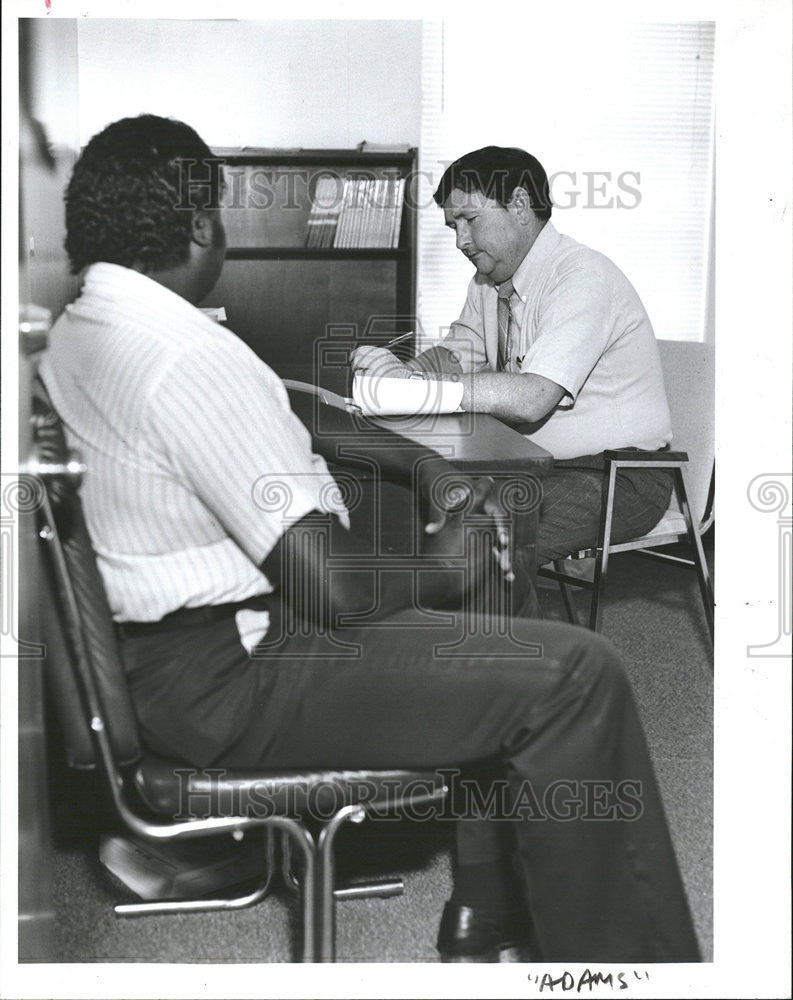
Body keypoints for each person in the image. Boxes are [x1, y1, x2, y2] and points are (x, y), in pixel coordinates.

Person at [40, 115, 700, 963]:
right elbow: (335, 589)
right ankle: (584, 949)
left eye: (469, 222)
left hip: (174, 658)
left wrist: (425, 471)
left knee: (492, 565)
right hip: (234, 676)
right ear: (203, 224)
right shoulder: (185, 356)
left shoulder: (79, 333)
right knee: (572, 666)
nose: (460, 241)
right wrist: (434, 564)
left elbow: (296, 410)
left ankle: (486, 903)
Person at [352, 145, 674, 565]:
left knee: (470, 541)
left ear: (520, 205)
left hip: (620, 477)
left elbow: (532, 398)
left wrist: (412, 387)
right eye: (453, 226)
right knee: (405, 510)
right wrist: (397, 373)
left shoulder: (581, 277)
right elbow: (455, 355)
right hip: (534, 464)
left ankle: (494, 628)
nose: (460, 241)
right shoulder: (487, 282)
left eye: (470, 220)